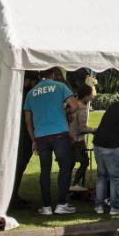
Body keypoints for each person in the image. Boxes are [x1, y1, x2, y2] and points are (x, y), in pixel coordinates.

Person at [23, 68, 81, 215]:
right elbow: (75, 105)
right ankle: (61, 203)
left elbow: (28, 121)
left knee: (45, 170)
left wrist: (33, 139)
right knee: (65, 167)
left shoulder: (30, 93)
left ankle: (46, 206)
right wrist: (66, 113)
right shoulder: (60, 86)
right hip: (59, 134)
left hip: (41, 136)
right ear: (54, 75)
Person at [11, 71, 41, 209]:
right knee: (19, 165)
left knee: (20, 165)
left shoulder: (23, 93)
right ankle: (12, 196)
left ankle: (13, 195)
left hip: (22, 133)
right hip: (24, 134)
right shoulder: (26, 94)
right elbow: (28, 117)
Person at [67, 84, 95, 192]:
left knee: (70, 164)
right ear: (86, 96)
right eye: (90, 95)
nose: (92, 97)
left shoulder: (73, 105)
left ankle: (66, 185)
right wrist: (95, 130)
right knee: (84, 163)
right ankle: (74, 184)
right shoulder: (82, 108)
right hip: (77, 140)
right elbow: (83, 129)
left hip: (69, 138)